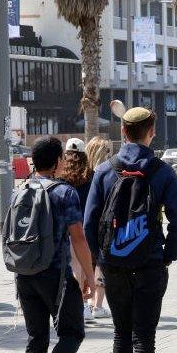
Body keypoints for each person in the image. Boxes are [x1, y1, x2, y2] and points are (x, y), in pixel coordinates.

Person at [84, 106, 177, 353]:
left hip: (113, 265)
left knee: (120, 335)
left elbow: (89, 223)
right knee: (144, 338)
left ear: (123, 132)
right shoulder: (162, 172)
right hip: (149, 265)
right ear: (151, 131)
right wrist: (167, 255)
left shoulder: (104, 170)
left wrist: (100, 258)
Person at [16, 137, 95, 353]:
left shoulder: (21, 189)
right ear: (58, 161)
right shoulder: (64, 192)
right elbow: (78, 237)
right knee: (73, 332)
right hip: (55, 273)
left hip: (24, 273)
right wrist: (89, 274)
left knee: (36, 336)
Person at [59, 137, 108, 323]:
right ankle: (83, 306)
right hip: (84, 227)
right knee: (82, 268)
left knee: (70, 268)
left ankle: (72, 306)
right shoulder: (92, 175)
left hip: (63, 228)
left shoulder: (61, 176)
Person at [84, 137, 113, 318]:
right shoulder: (102, 174)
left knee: (85, 265)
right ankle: (97, 305)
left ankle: (87, 303)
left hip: (81, 226)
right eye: (108, 151)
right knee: (100, 264)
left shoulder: (81, 174)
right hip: (100, 226)